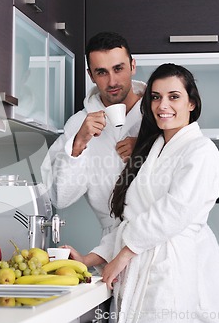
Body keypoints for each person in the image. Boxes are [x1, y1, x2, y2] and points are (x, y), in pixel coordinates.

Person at [64, 64, 219, 322]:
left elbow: (173, 212)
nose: (162, 105)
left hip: (173, 269)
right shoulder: (153, 150)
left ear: (191, 103)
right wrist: (87, 259)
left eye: (174, 97)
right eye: (156, 97)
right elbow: (134, 220)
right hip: (143, 268)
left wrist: (124, 255)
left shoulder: (201, 151)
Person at [41, 31, 146, 239]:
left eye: (118, 68)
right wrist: (78, 144)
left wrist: (146, 147)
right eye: (102, 72)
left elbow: (188, 162)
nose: (112, 81)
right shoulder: (79, 124)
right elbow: (59, 198)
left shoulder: (158, 113)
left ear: (132, 66)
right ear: (91, 76)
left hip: (161, 235)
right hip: (113, 241)